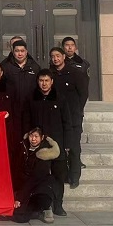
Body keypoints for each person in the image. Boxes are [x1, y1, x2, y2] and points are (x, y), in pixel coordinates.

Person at [26, 69, 73, 217]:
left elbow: (67, 123)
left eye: (47, 80)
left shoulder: (60, 98)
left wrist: (67, 144)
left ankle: (58, 205)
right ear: (37, 82)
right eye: (41, 80)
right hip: (39, 146)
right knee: (39, 177)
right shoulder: (31, 98)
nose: (44, 83)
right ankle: (41, 206)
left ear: (52, 82)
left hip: (57, 145)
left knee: (59, 176)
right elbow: (26, 120)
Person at [50, 47, 87, 189]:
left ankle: (74, 176)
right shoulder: (51, 74)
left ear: (64, 57)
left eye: (58, 56)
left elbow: (83, 94)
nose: (55, 59)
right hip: (57, 118)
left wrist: (77, 109)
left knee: (74, 148)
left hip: (73, 117)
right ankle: (63, 175)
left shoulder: (75, 73)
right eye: (53, 56)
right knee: (60, 148)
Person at [11, 127, 60, 224]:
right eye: (31, 136)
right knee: (19, 218)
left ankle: (46, 208)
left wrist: (20, 198)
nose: (33, 139)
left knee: (43, 197)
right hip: (25, 185)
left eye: (36, 136)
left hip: (40, 186)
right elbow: (17, 168)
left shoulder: (44, 153)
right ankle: (34, 211)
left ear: (42, 138)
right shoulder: (23, 147)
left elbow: (35, 178)